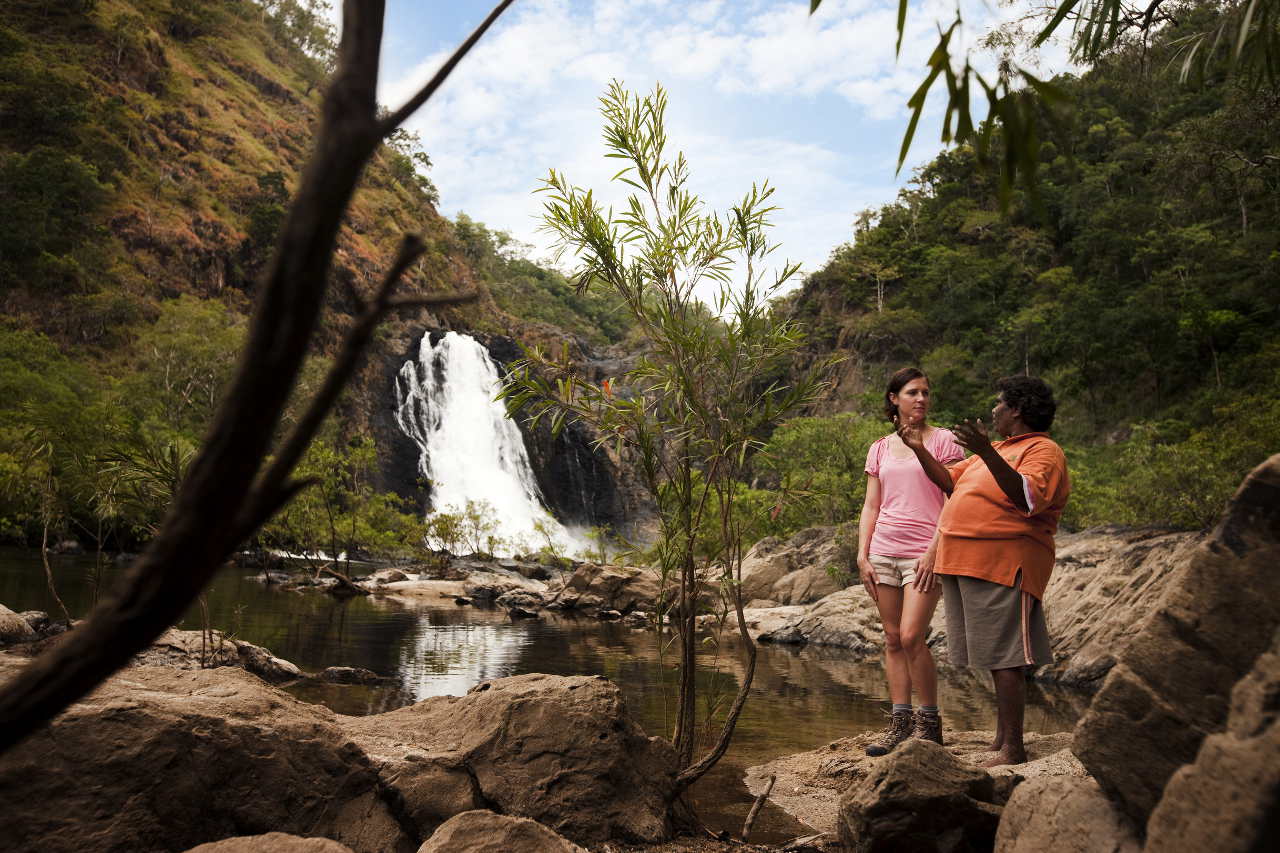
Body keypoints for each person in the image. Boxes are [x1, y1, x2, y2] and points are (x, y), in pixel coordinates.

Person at [915, 375, 1071, 767]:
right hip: (967, 561)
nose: (994, 409)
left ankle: (1013, 749)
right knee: (990, 656)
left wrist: (985, 450)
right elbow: (948, 481)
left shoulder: (1043, 451)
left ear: (1016, 409)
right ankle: (1001, 739)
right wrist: (918, 448)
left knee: (1006, 657)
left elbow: (1027, 497)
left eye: (999, 403)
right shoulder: (1001, 448)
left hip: (1004, 562)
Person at [858, 367, 964, 756]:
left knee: (910, 636)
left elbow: (955, 494)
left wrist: (936, 548)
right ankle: (899, 725)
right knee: (890, 638)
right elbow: (872, 504)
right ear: (894, 398)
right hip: (883, 549)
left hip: (925, 551)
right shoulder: (880, 448)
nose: (921, 399)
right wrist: (862, 554)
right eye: (912, 392)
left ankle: (930, 724)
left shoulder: (945, 441)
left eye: (925, 392)